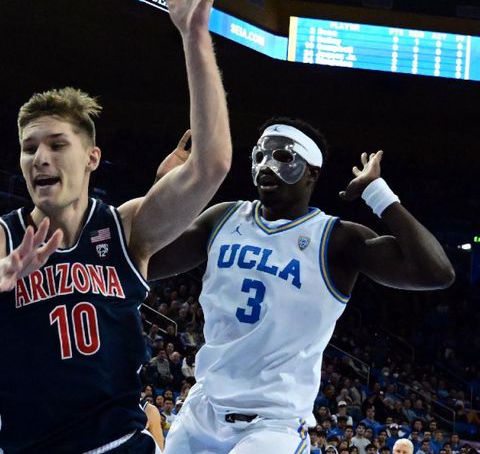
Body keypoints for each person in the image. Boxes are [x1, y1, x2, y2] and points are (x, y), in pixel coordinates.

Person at [0, 0, 233, 454]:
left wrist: (195, 38)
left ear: (92, 157)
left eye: (57, 145)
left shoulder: (127, 228)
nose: (39, 158)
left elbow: (211, 165)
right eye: (29, 148)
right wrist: (0, 274)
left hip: (119, 443)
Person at [148, 118, 455, 454]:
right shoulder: (223, 218)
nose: (267, 165)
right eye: (261, 155)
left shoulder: (336, 239)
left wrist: (377, 192)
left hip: (272, 425)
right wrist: (165, 190)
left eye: (283, 157)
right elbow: (148, 261)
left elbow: (436, 273)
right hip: (202, 409)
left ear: (312, 172)